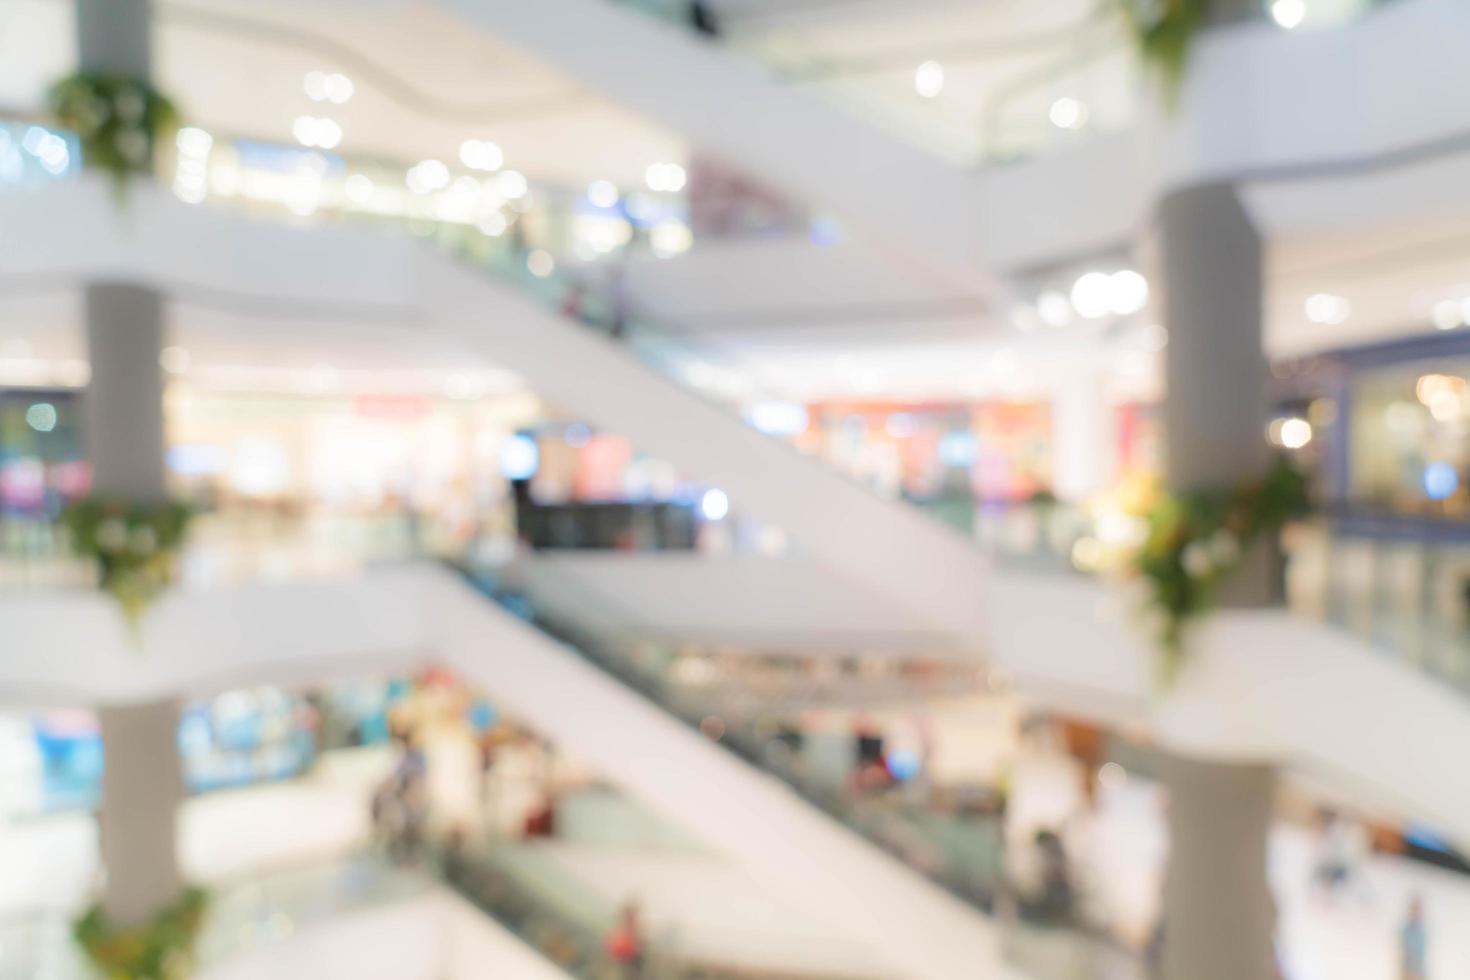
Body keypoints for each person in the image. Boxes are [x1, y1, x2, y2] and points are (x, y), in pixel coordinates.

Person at [605, 900, 645, 978]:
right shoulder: (624, 929)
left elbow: (636, 948)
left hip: (626, 960)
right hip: (619, 958)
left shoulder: (634, 929)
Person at [1400, 894, 1427, 980]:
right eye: (1414, 909)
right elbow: (1404, 951)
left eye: (1418, 909)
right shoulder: (1406, 929)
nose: (1416, 912)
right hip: (1407, 970)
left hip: (1418, 970)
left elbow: (1421, 954)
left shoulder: (1422, 931)